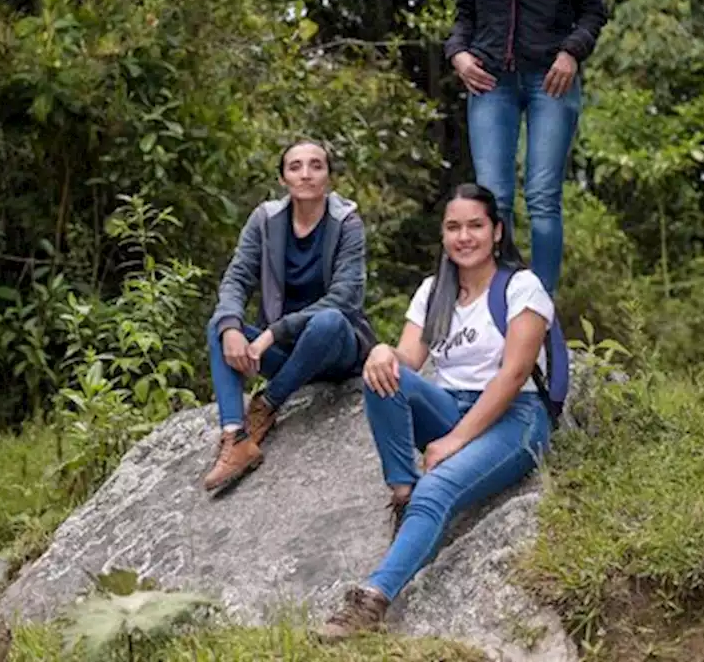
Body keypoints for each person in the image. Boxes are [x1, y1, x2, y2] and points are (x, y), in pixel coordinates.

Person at [318, 183, 553, 639]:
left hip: (515, 415)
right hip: (451, 404)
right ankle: (403, 492)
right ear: (443, 236)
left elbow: (513, 373)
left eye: (475, 226)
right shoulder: (434, 290)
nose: (464, 237)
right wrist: (383, 351)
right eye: (453, 227)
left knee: (438, 490)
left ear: (497, 232)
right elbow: (409, 359)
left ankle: (372, 601)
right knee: (381, 372)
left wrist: (455, 440)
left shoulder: (522, 287)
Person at [444, 0, 608, 295]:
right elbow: (464, 15)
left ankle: (540, 307)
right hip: (489, 79)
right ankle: (500, 299)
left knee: (542, 197)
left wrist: (571, 52)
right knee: (492, 200)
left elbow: (593, 10)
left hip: (550, 81)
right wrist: (458, 54)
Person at [202, 140, 376, 494]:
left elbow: (344, 299)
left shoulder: (346, 223)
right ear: (283, 178)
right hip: (286, 355)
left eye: (316, 165)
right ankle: (235, 436)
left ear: (328, 176)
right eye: (295, 167)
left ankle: (267, 404)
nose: (306, 174)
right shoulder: (265, 220)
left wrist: (273, 332)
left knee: (327, 321)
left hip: (337, 350)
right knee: (220, 327)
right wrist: (232, 326)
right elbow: (236, 278)